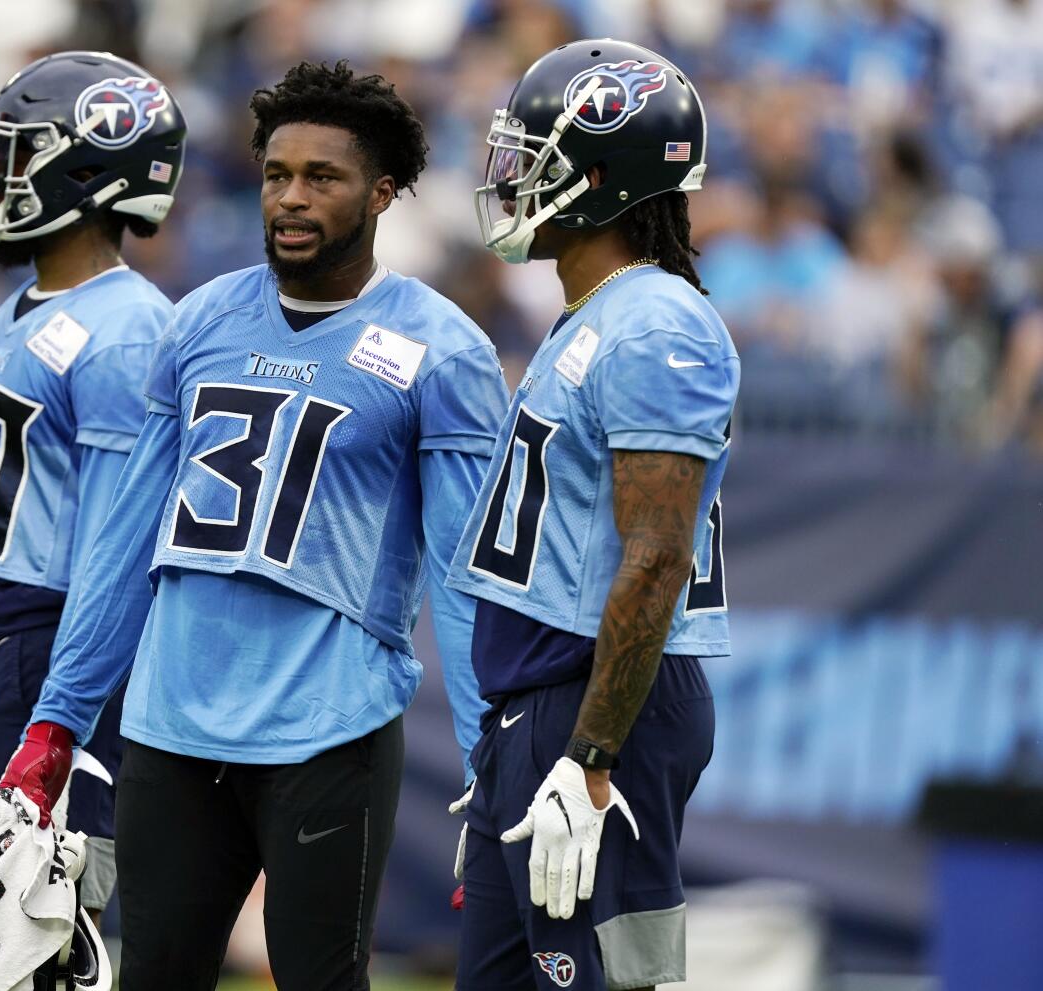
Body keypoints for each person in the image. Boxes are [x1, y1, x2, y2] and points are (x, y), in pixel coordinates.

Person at [0, 61, 508, 990]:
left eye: (325, 176)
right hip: (171, 722)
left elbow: (466, 575)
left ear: (383, 192)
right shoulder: (197, 321)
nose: (292, 197)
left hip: (326, 725)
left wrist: (490, 757)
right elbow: (121, 545)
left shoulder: (443, 349)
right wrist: (57, 719)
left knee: (319, 979)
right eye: (278, 174)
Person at [0, 51, 186, 990]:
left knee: (17, 945)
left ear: (86, 172)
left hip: (39, 649)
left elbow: (116, 550)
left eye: (23, 155)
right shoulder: (11, 309)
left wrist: (65, 717)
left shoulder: (127, 325)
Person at [445, 40, 739, 991]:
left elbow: (656, 556)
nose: (512, 177)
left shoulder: (657, 322)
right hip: (540, 705)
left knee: (596, 981)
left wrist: (590, 752)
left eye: (536, 154)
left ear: (603, 177)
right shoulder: (599, 312)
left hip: (595, 709)